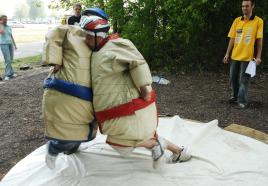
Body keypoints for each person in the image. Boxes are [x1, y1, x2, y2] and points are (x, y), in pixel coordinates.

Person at [80, 15, 191, 168]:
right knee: (141, 133)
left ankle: (156, 145)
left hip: (127, 103)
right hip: (118, 103)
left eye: (87, 36)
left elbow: (137, 63)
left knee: (121, 142)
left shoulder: (117, 45)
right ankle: (179, 151)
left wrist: (144, 88)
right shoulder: (97, 51)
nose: (85, 40)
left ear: (97, 36)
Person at [42, 7, 109, 170]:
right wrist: (54, 59)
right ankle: (53, 149)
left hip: (86, 96)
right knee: (69, 129)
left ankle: (71, 148)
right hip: (66, 91)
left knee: (80, 128)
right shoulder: (72, 31)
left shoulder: (99, 41)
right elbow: (53, 34)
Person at [223, 0, 263, 108]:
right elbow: (232, 38)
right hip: (235, 55)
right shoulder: (237, 21)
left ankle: (242, 101)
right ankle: (235, 96)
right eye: (243, 6)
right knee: (233, 78)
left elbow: (259, 40)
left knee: (244, 80)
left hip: (248, 56)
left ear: (252, 6)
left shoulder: (258, 21)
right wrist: (227, 54)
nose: (244, 8)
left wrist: (258, 56)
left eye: (247, 6)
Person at [0, 15, 17, 81]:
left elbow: (11, 36)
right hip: (4, 44)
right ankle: (7, 75)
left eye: (6, 19)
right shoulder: (1, 26)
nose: (5, 20)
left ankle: (11, 73)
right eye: (4, 19)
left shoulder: (9, 27)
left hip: (10, 44)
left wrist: (15, 45)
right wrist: (0, 24)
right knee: (7, 59)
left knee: (10, 59)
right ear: (1, 20)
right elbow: (2, 32)